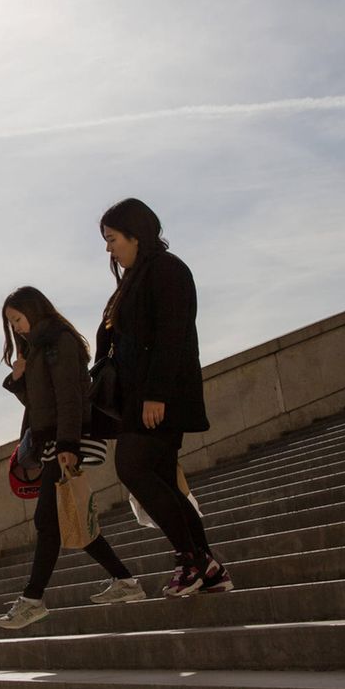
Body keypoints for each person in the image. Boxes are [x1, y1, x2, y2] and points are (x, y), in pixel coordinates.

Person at [96, 198, 233, 597]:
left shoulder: (169, 271)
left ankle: (190, 560)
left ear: (136, 235)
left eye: (113, 239)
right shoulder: (132, 280)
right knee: (161, 481)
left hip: (161, 398)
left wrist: (155, 395)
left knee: (133, 468)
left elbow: (173, 335)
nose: (109, 249)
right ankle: (207, 566)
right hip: (138, 399)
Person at [0, 286, 145, 630]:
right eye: (11, 322)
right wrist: (19, 381)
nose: (15, 327)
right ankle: (124, 581)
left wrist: (68, 446)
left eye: (17, 319)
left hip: (64, 443)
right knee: (67, 517)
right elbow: (39, 406)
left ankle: (33, 599)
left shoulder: (59, 342)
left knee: (49, 521)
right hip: (53, 442)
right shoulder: (36, 349)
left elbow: (68, 397)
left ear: (33, 310)